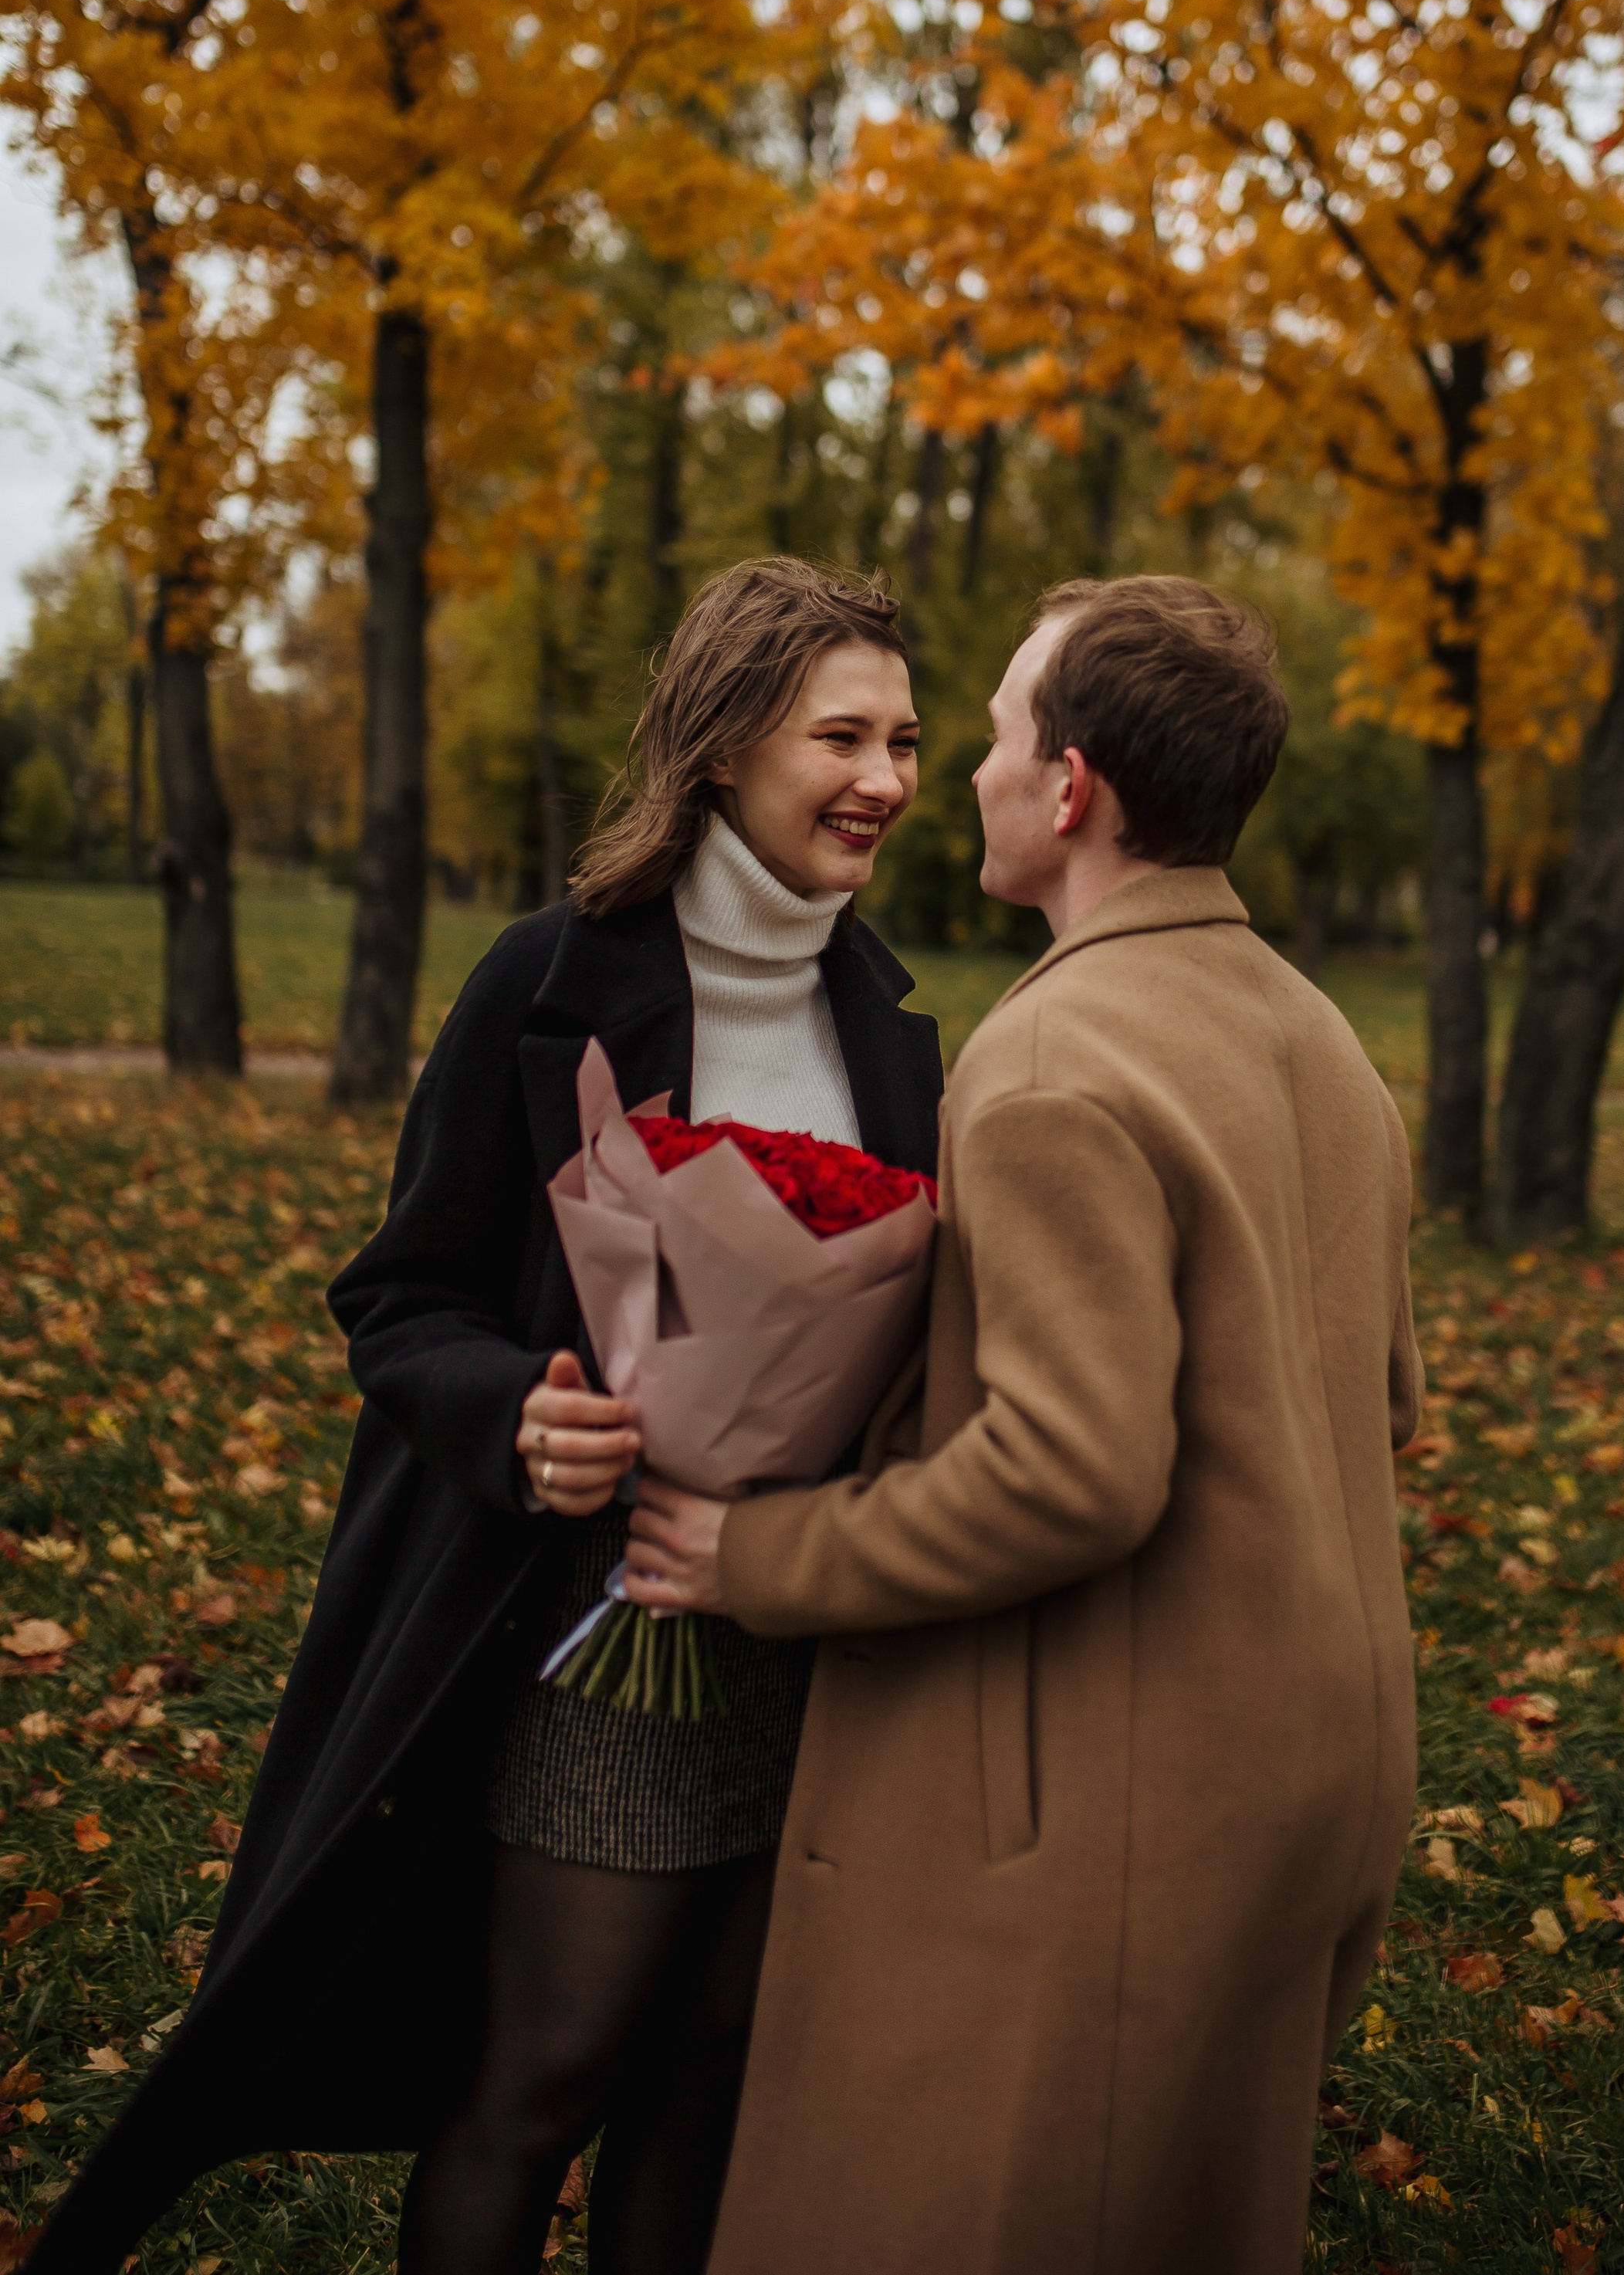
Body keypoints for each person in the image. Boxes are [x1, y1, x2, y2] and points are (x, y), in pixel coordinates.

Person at [30, 557, 942, 2275]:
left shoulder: (890, 1030)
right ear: (726, 738)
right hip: (587, 1637)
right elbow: (398, 1299)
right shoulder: (546, 978)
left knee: (707, 2082)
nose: (885, 779)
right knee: (543, 2081)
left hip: (809, 1640)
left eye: (904, 739)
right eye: (844, 735)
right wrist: (519, 1412)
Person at [630, 574, 1425, 2275]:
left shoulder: (1052, 1057)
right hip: (1325, 1763)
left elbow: (1071, 1470)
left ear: (1069, 790)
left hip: (1127, 1791)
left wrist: (758, 1548)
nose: (958, 772)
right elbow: (1384, 1396)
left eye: (987, 734)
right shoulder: (1321, 1039)